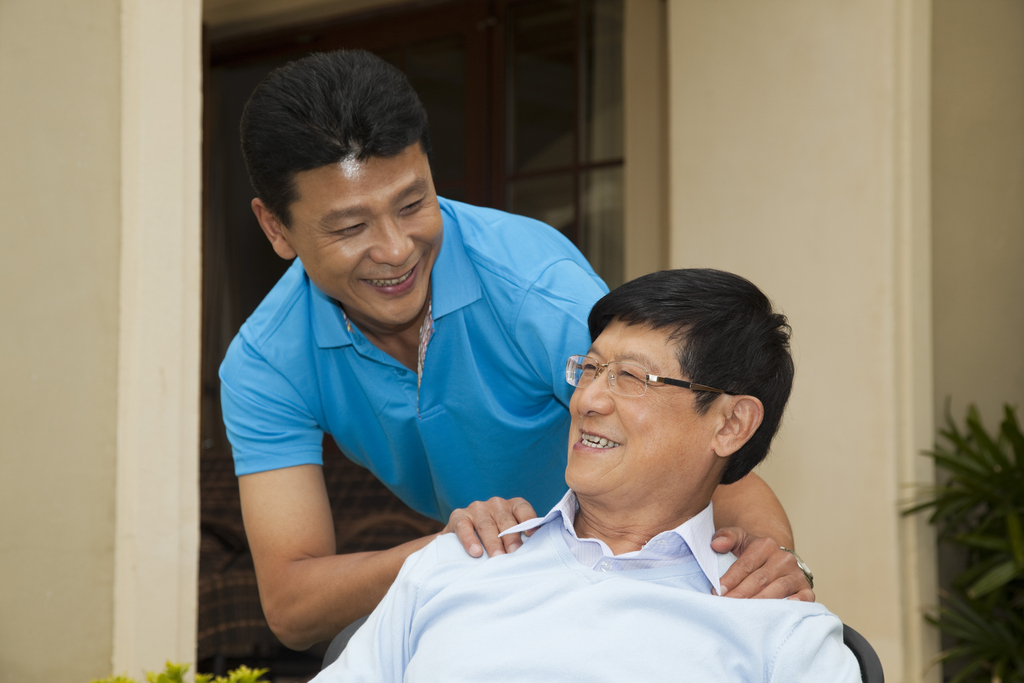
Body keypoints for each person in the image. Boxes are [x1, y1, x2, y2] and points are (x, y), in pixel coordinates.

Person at [219, 49, 811, 650]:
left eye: (413, 204)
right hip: (489, 573)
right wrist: (453, 552)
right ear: (276, 228)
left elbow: (692, 438)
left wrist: (773, 560)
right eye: (350, 228)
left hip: (625, 566)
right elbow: (293, 604)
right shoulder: (265, 363)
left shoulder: (533, 287)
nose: (396, 250)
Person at [315, 269, 859, 683]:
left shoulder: (779, 633)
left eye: (630, 377)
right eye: (591, 368)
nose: (588, 399)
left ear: (731, 424)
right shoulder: (458, 562)